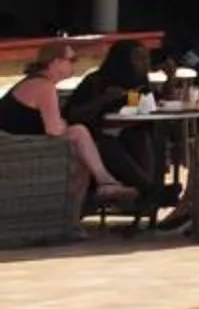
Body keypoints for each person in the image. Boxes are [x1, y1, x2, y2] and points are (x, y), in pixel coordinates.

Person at [0, 43, 133, 208]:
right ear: (56, 62)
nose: (74, 64)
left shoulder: (35, 82)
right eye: (71, 59)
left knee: (83, 156)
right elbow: (54, 130)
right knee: (79, 133)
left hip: (18, 146)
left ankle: (98, 191)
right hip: (19, 150)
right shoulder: (44, 87)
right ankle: (106, 183)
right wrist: (64, 124)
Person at [66, 40, 164, 197]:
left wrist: (167, 83)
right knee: (110, 146)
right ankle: (151, 191)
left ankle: (150, 190)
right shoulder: (97, 81)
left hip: (126, 132)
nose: (146, 64)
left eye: (147, 59)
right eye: (139, 59)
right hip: (96, 136)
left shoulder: (138, 83)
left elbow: (142, 108)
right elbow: (73, 114)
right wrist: (104, 99)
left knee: (143, 136)